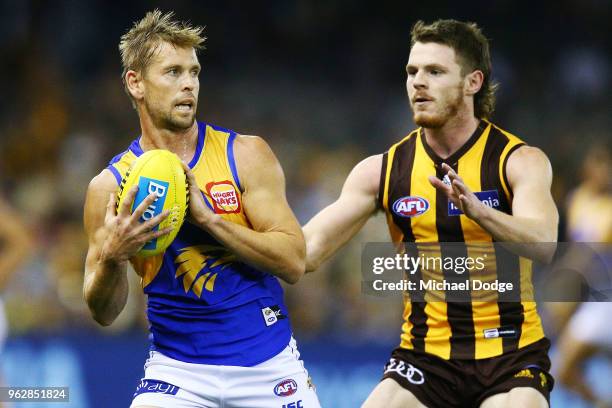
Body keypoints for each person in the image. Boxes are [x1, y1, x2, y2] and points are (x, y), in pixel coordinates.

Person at [304, 19, 558, 408]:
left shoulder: (517, 161)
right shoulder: (383, 171)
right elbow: (306, 250)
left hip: (510, 359)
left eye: (435, 71)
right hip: (425, 361)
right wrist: (219, 228)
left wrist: (478, 212)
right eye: (412, 71)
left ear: (472, 82)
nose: (418, 82)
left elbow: (544, 244)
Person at [83, 10, 320, 408]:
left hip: (269, 367)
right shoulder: (109, 187)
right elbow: (103, 313)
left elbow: (294, 262)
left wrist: (209, 219)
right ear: (135, 82)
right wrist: (113, 255)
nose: (189, 84)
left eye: (194, 72)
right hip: (177, 373)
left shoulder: (245, 154)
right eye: (173, 72)